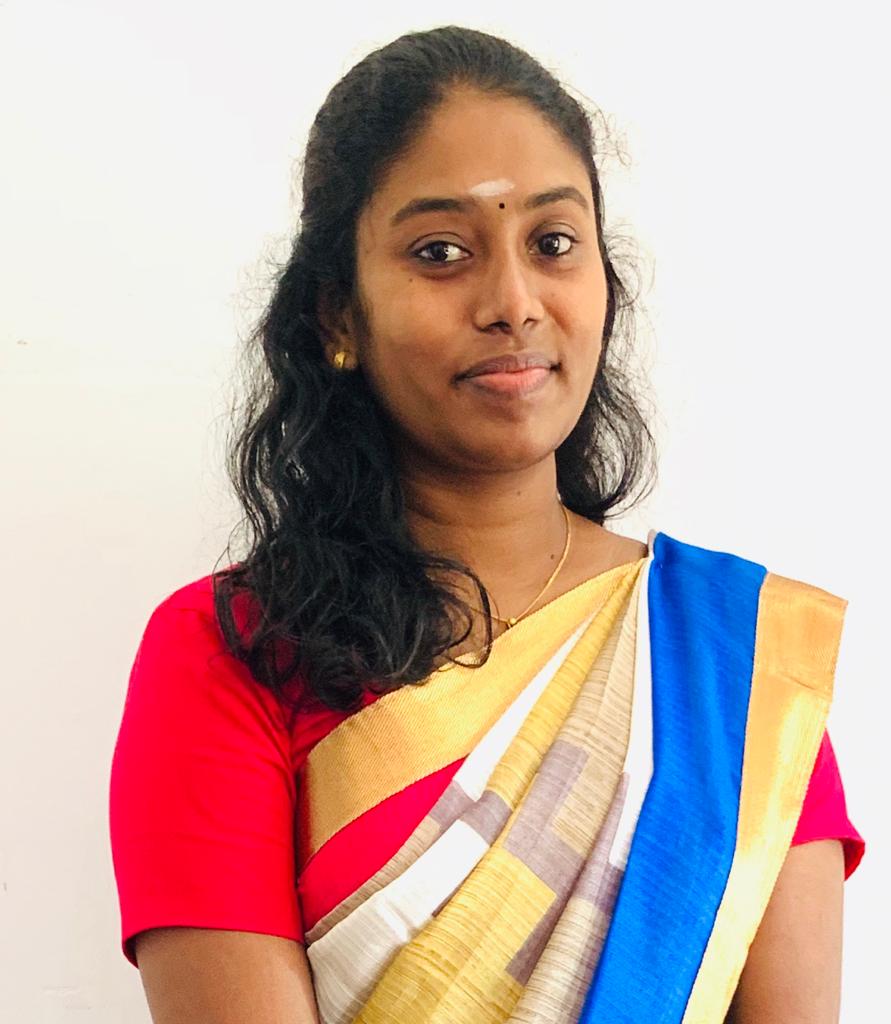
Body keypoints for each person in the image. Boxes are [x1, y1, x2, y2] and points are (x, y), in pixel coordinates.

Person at [108, 25, 864, 1024]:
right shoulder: (233, 653)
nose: (513, 301)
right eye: (440, 253)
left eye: (553, 244)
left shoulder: (730, 663)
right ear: (338, 315)